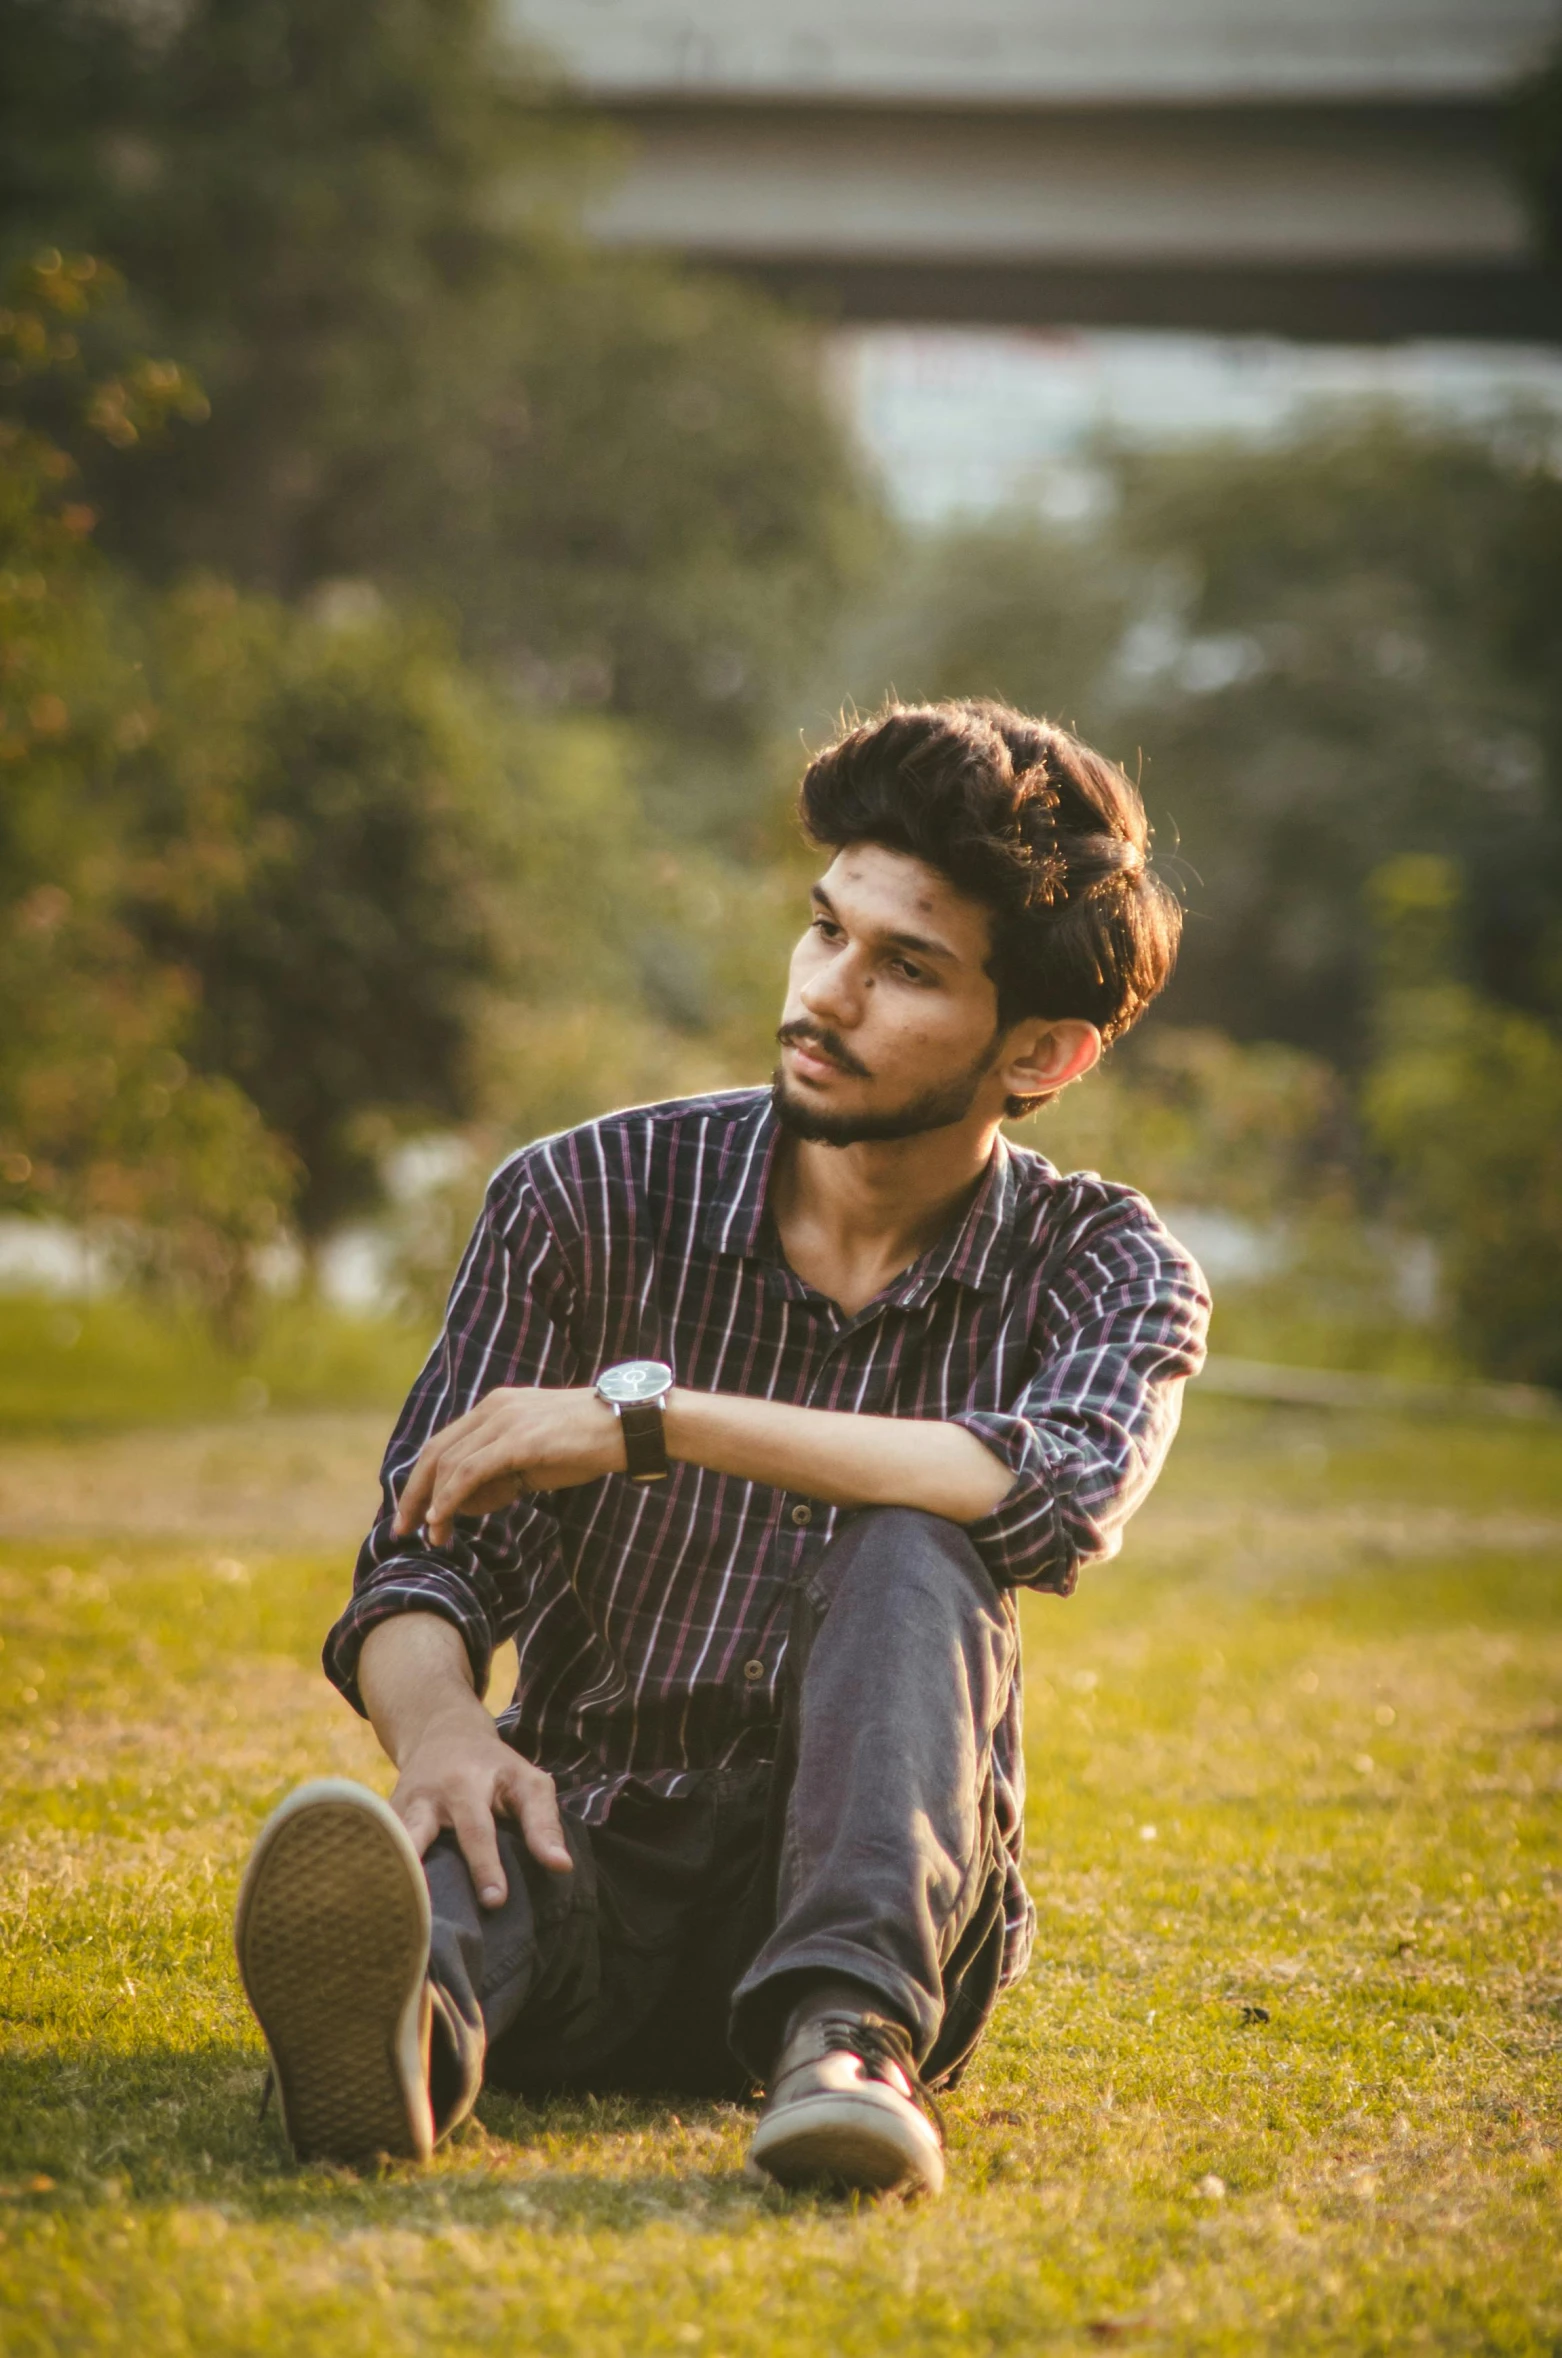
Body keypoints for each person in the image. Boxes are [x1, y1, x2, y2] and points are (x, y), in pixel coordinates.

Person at [234, 698, 1209, 2196]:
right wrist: (442, 1735)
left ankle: (851, 2050)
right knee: (488, 1842)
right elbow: (419, 1561)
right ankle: (408, 2047)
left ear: (1044, 1054)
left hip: (887, 1898)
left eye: (904, 969)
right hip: (595, 1851)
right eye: (825, 932)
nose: (826, 992)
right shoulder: (583, 1195)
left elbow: (1053, 1492)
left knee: (912, 1533)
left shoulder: (1105, 1260)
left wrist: (653, 1421)